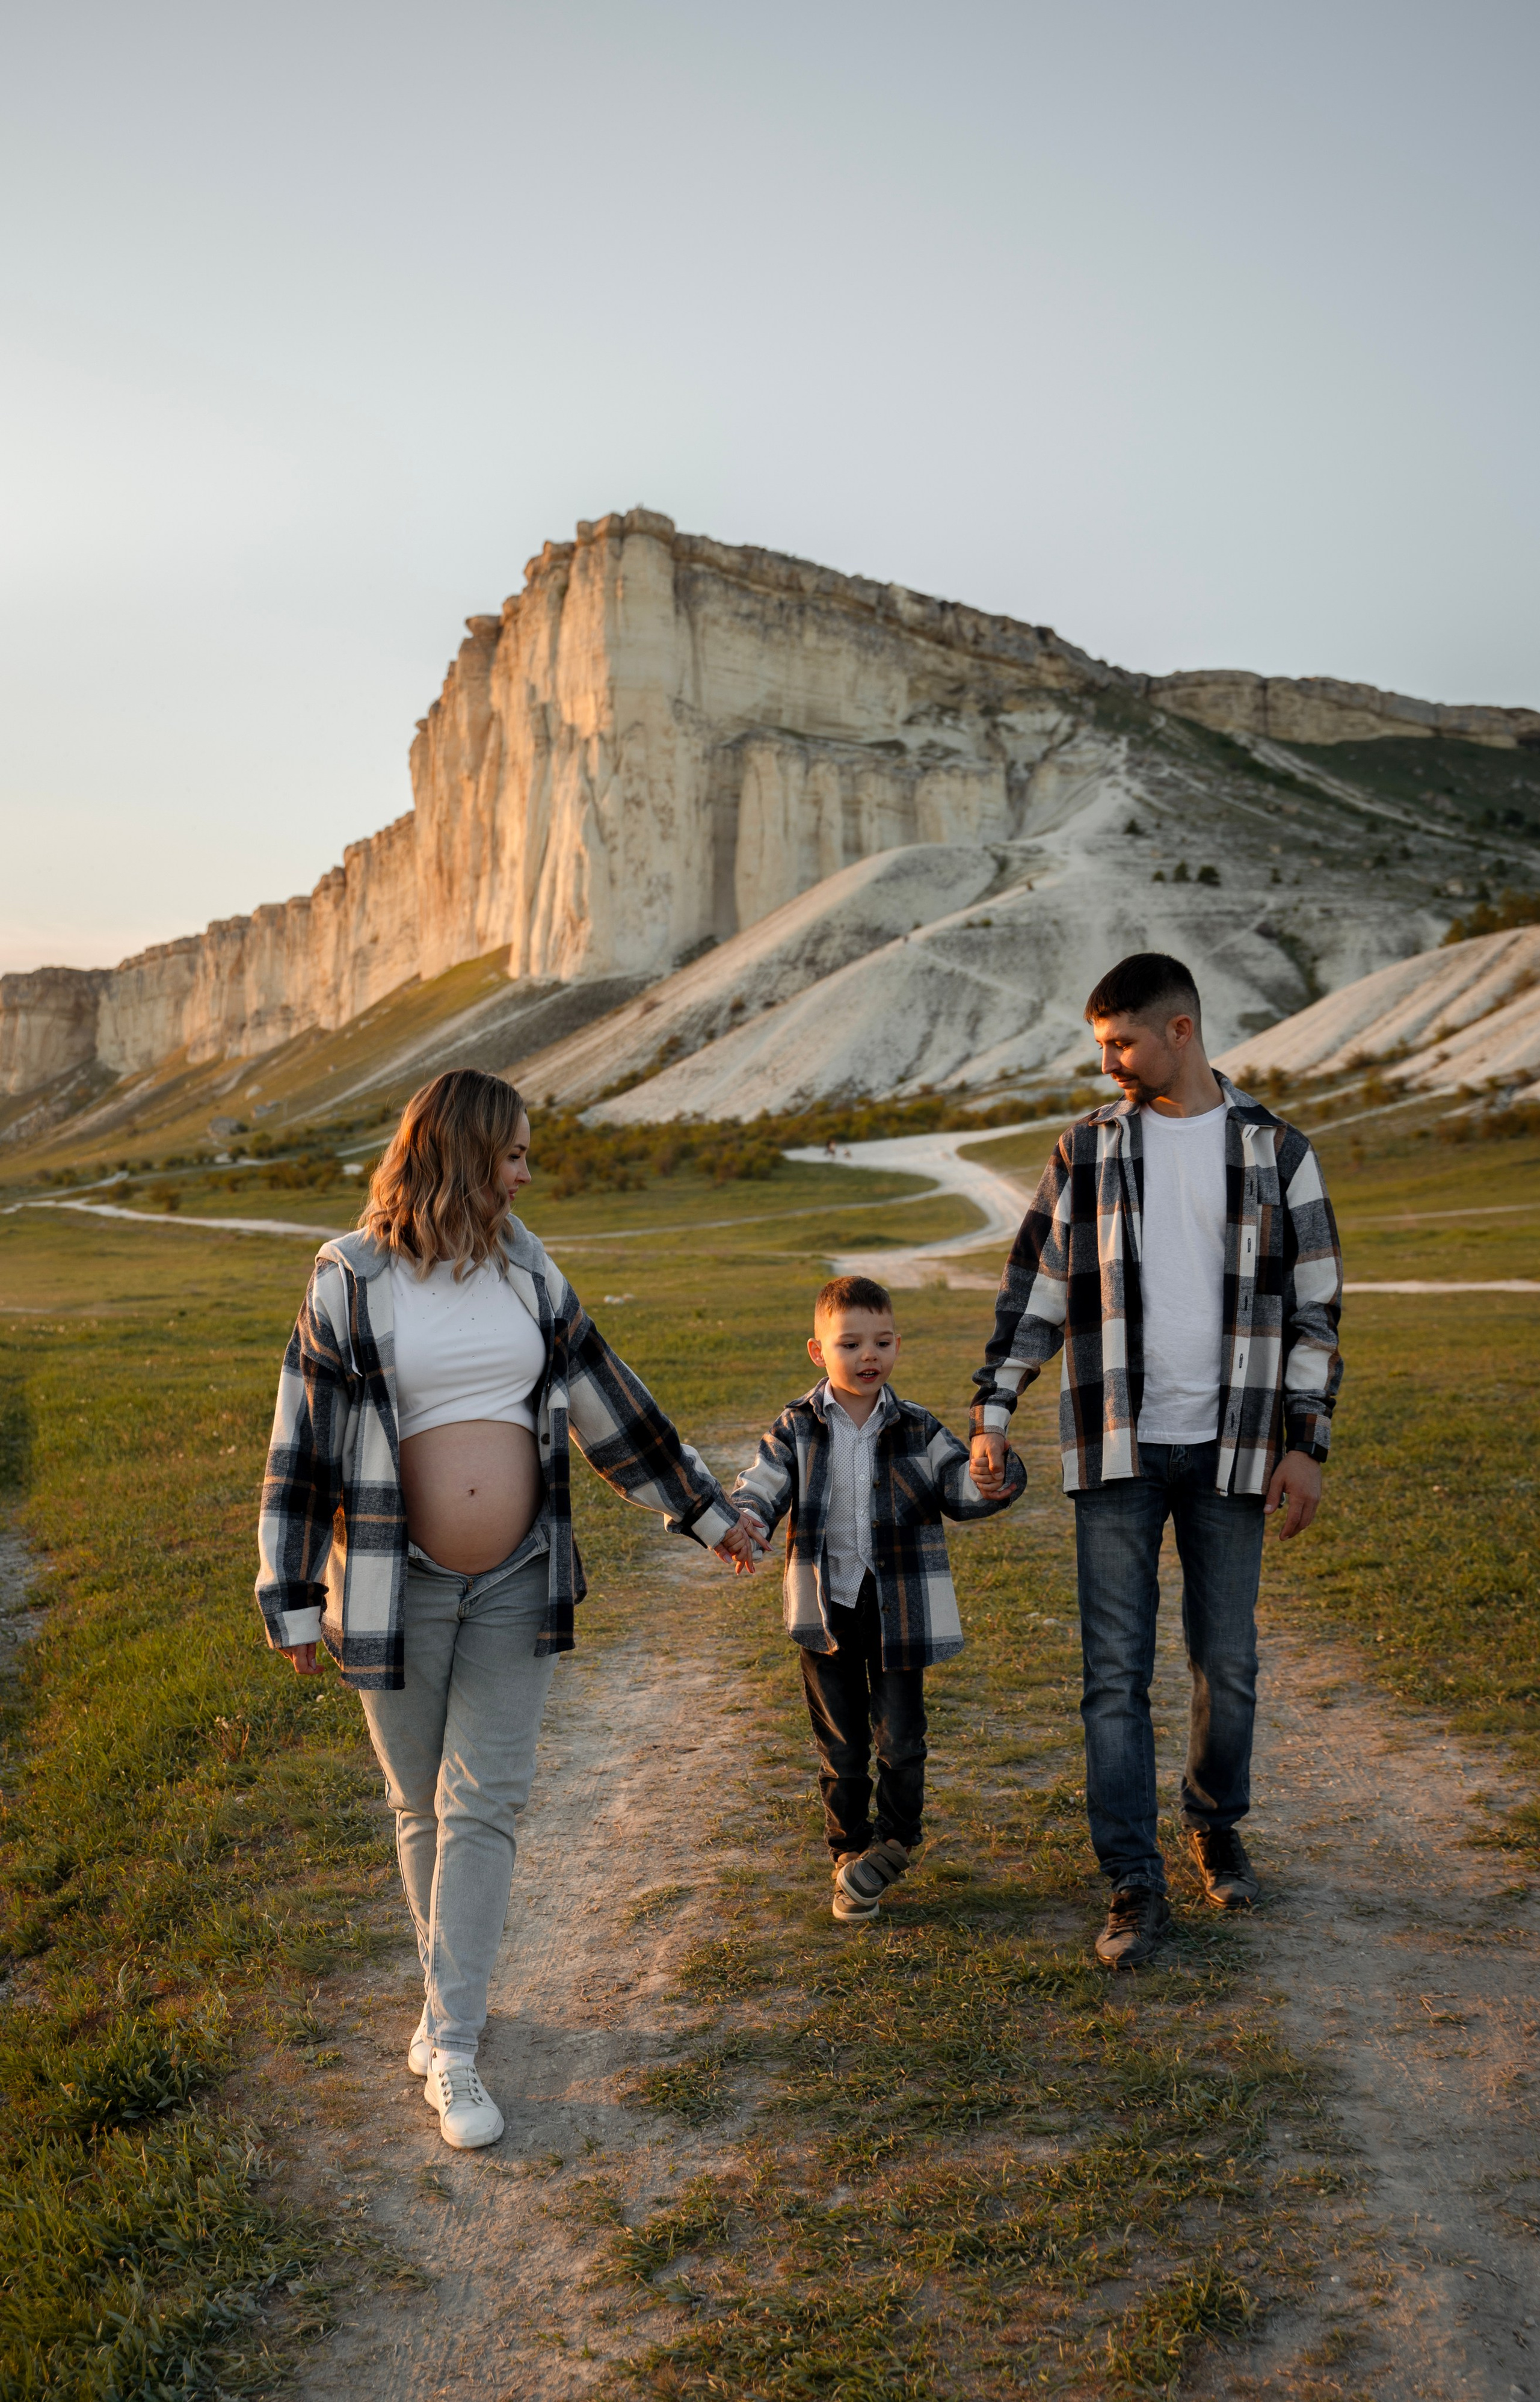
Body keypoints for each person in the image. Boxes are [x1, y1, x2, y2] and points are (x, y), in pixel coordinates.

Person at [255, 1070, 756, 2148]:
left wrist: (706, 1515)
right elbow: (300, 1445)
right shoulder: (351, 1278)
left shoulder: (530, 1270)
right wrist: (291, 1594)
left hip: (519, 1571)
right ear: (462, 1153)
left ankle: (457, 2042)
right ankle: (452, 2004)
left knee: (485, 1802)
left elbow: (606, 1400)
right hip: (393, 1580)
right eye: (515, 1152)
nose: (528, 1172)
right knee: (419, 1807)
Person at [969, 954, 1343, 1971]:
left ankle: (1216, 1823)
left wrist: (1306, 1444)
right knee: (1113, 1677)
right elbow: (1035, 1290)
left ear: (1181, 1029)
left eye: (1122, 1043)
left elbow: (1315, 1312)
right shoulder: (1085, 1149)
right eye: (1101, 1045)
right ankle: (1133, 1881)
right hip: (1118, 1447)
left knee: (1228, 1660)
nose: (1110, 1064)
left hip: (1235, 1449)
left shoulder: (1277, 1151)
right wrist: (994, 1408)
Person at [727, 1274, 1024, 1923]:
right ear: (818, 1351)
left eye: (883, 1342)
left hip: (900, 1611)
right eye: (851, 1343)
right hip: (826, 1609)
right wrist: (746, 1519)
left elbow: (961, 1490)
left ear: (896, 1346)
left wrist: (993, 1474)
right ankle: (849, 1854)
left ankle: (894, 1841)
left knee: (901, 1741)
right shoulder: (796, 1427)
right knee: (841, 1748)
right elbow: (761, 1486)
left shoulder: (918, 1427)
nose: (869, 1356)